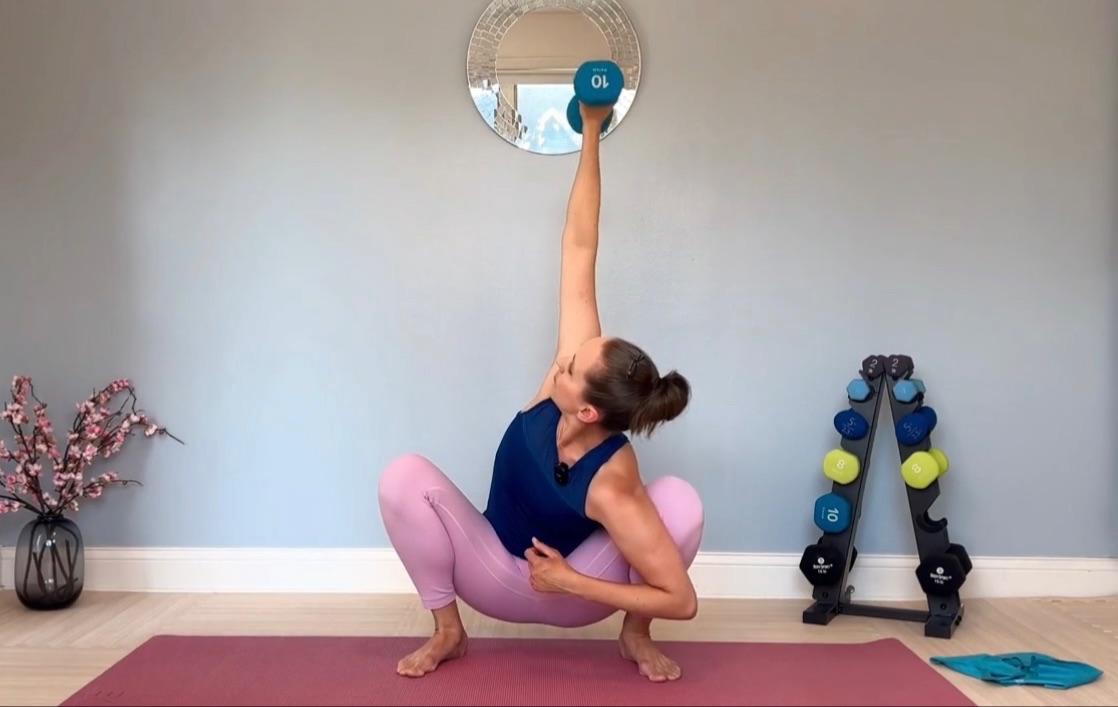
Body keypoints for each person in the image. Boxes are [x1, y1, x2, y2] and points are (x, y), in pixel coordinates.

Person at [377, 100, 704, 683]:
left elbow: (682, 599)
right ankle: (448, 632)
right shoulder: (563, 391)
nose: (560, 362)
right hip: (494, 574)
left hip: (577, 592)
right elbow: (580, 247)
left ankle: (634, 637)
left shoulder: (614, 478)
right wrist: (593, 131)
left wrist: (571, 581)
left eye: (571, 365)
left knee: (679, 500)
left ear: (587, 407)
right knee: (403, 475)